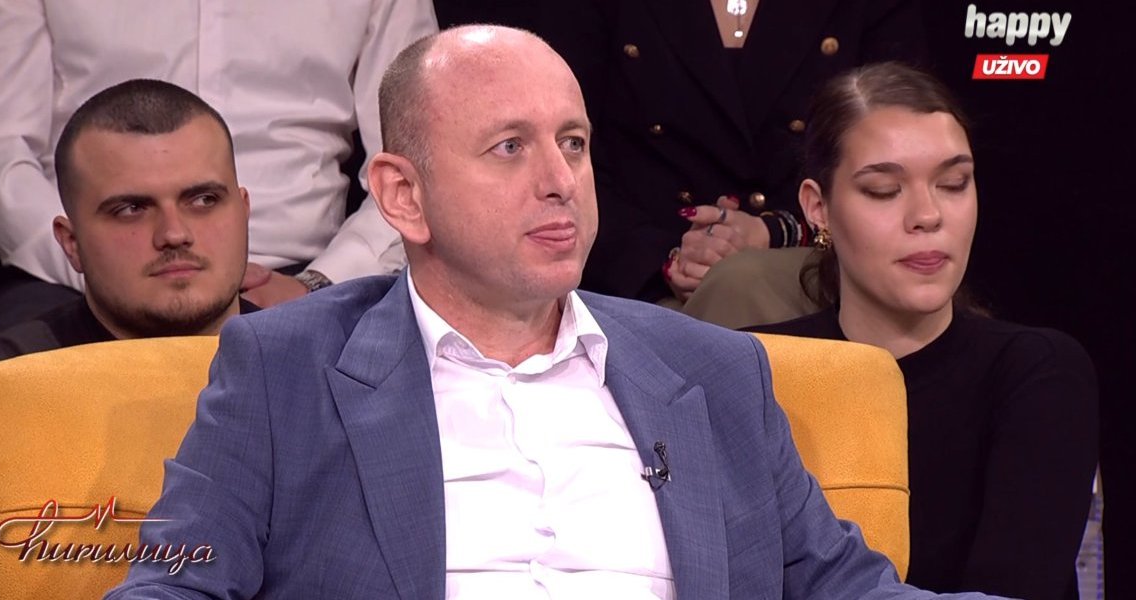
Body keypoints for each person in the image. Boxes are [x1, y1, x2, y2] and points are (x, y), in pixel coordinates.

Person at [106, 27, 1001, 599]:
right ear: (403, 195)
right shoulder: (284, 368)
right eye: (510, 147)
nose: (559, 180)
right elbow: (175, 584)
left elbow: (851, 591)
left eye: (573, 143)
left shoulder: (715, 372)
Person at [750, 62, 1098, 599]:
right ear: (818, 207)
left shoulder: (1037, 372)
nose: (928, 215)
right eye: (885, 190)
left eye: (954, 183)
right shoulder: (753, 367)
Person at [0, 0, 437, 348]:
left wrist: (322, 283)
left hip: (307, 272)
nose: (178, 233)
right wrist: (106, 270)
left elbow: (418, 160)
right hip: (81, 276)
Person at [0, 79, 260, 599]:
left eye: (203, 199)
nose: (174, 233)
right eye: (131, 209)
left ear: (243, 210)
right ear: (71, 243)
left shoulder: (320, 365)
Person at [536, 0, 926, 306]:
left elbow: (898, 157)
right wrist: (668, 259)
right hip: (640, 276)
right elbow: (566, 155)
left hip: (818, 262)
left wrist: (775, 231)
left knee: (745, 292)